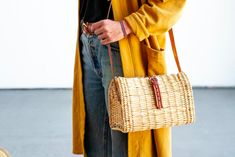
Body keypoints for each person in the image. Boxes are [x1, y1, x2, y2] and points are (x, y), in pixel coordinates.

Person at [72, 0, 186, 157]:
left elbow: (173, 3)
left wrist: (126, 26)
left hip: (124, 45)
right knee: (95, 146)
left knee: (128, 146)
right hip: (88, 40)